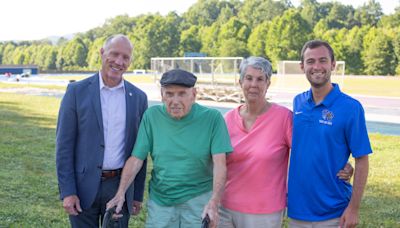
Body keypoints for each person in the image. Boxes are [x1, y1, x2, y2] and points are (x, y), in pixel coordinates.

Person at [219, 56, 354, 228]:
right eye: (249, 78)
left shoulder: (283, 118)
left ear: (268, 84)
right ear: (240, 82)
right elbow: (216, 161)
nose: (254, 84)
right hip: (225, 209)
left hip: (264, 212)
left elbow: (309, 150)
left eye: (260, 79)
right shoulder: (227, 119)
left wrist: (342, 163)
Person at [106, 69, 233, 228]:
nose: (175, 100)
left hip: (199, 198)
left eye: (182, 94)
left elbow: (220, 164)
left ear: (193, 94)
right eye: (169, 94)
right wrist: (120, 193)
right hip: (161, 200)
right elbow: (136, 159)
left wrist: (214, 202)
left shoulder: (213, 118)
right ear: (162, 95)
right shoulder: (151, 116)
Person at [56, 34, 148, 227]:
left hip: (120, 187)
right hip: (82, 188)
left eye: (125, 57)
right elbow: (64, 146)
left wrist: (136, 194)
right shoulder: (76, 92)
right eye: (114, 54)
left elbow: (140, 151)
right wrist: (68, 191)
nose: (119, 61)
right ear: (102, 52)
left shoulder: (139, 98)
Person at [288, 40, 372, 228]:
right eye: (310, 61)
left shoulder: (351, 108)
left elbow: (362, 159)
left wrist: (354, 208)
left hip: (334, 212)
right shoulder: (298, 102)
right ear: (302, 67)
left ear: (333, 64)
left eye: (323, 60)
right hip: (297, 211)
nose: (316, 66)